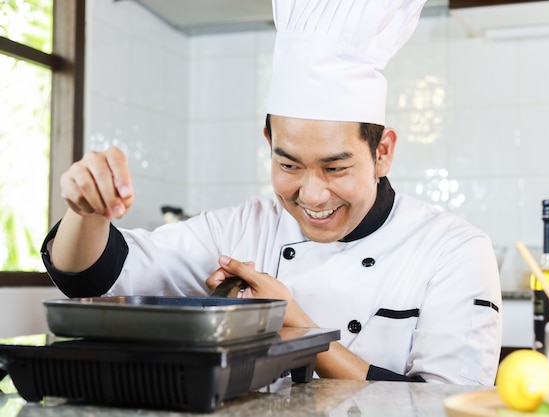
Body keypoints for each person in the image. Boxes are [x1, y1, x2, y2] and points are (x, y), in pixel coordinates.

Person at [41, 0, 502, 385]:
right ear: (268, 146)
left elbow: (449, 407)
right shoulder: (244, 226)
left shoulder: (453, 250)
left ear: (382, 152)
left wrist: (295, 329)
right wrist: (88, 212)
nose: (313, 195)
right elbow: (92, 278)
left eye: (335, 167)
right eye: (289, 165)